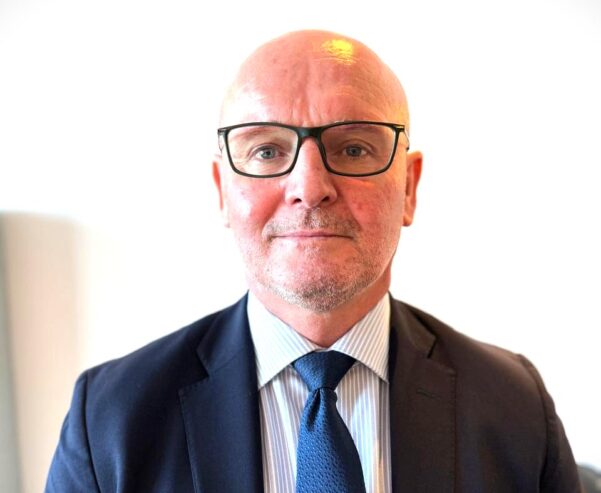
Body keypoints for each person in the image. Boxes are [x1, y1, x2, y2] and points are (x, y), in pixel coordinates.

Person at [45, 30, 582, 492]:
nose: (309, 186)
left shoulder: (516, 407)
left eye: (353, 149)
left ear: (409, 188)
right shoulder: (110, 420)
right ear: (222, 191)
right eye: (267, 151)